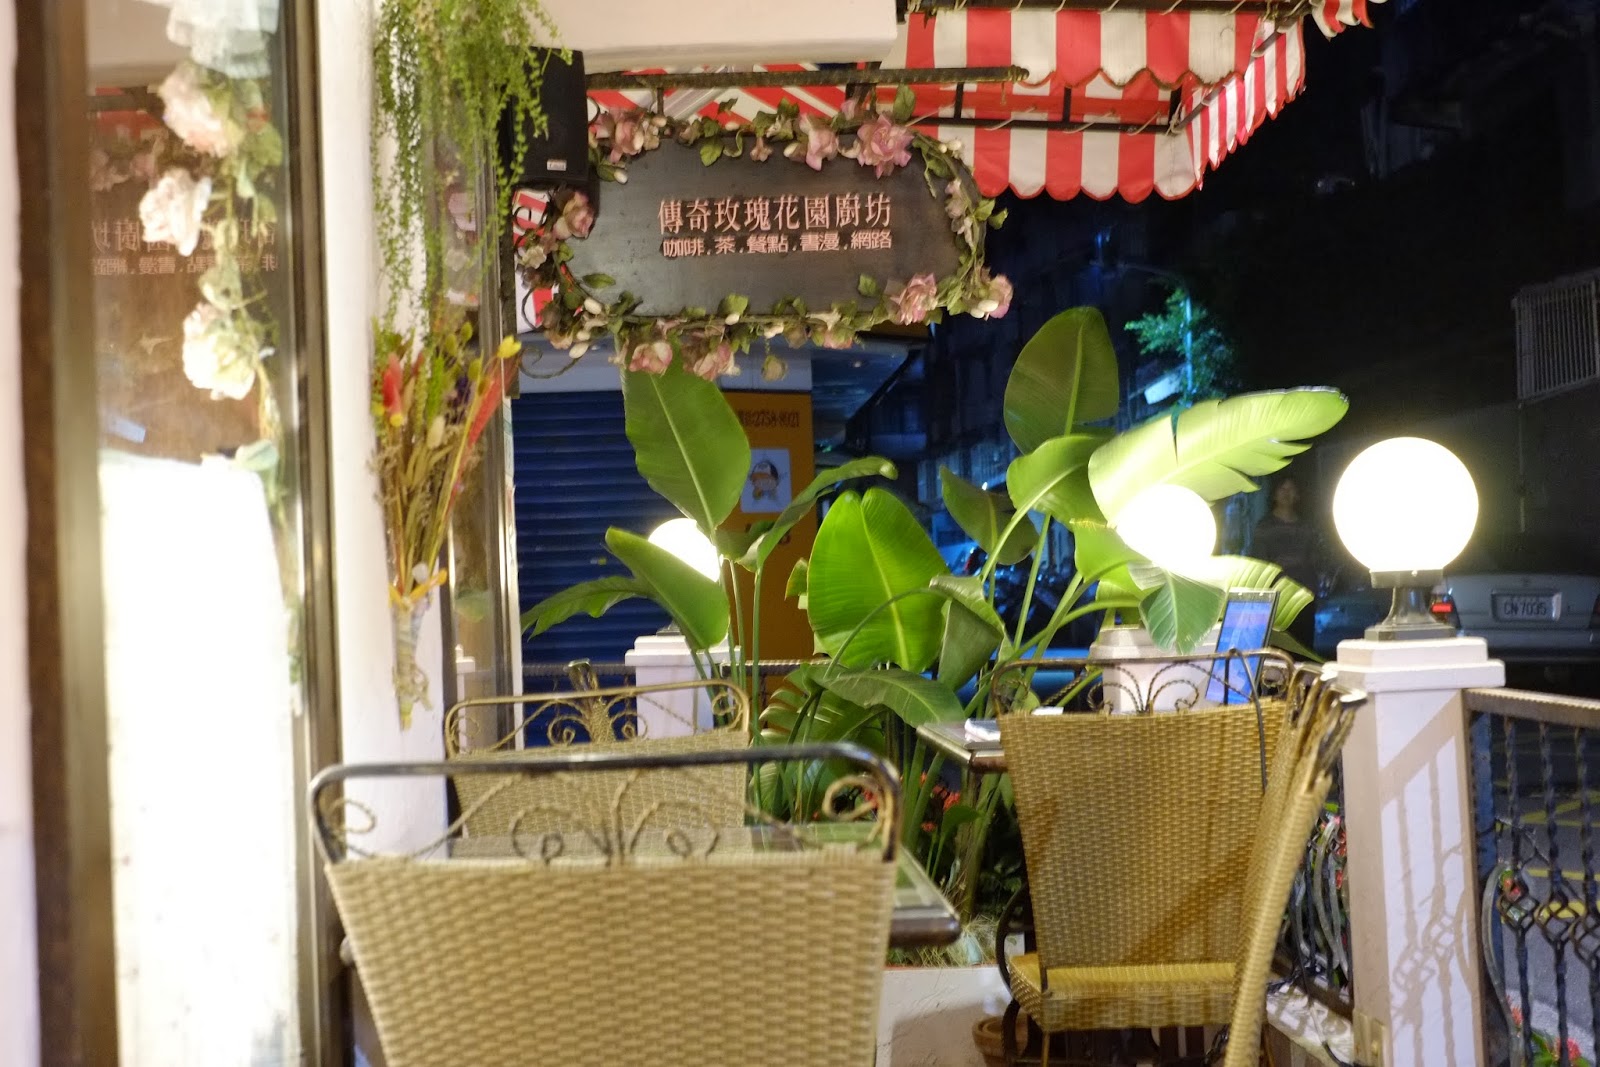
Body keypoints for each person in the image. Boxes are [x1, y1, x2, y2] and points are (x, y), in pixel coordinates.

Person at [1251, 475, 1321, 647]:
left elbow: (1315, 559)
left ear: (1297, 495)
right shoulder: (1264, 527)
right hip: (1277, 597)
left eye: (1291, 489)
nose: (1287, 493)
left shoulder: (1306, 527)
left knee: (1303, 646)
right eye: (1283, 489)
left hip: (1304, 596)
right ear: (1275, 494)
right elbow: (1260, 562)